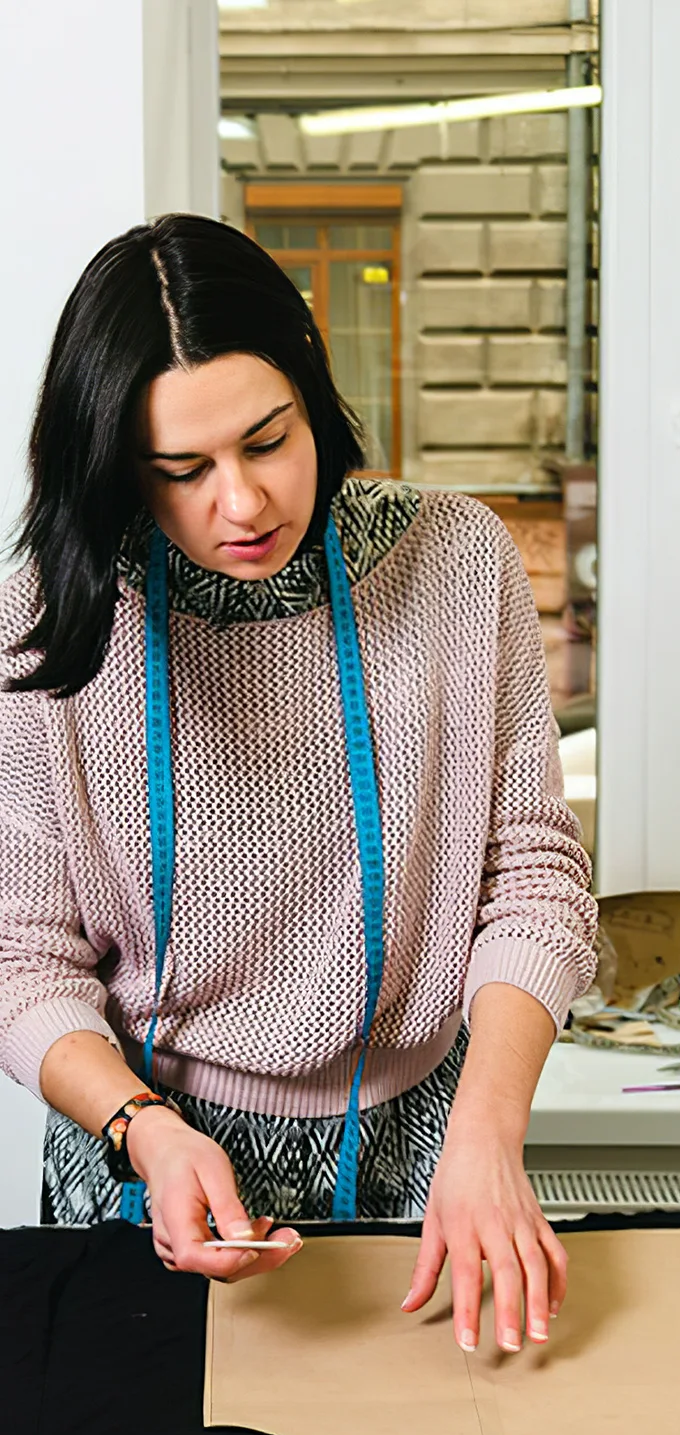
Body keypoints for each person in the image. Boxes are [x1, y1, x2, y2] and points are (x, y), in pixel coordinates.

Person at [0, 214, 597, 1357]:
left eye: (267, 441)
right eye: (181, 470)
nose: (242, 502)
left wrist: (489, 1130)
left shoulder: (458, 562)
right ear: (117, 466)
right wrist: (144, 1131)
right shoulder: (42, 621)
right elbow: (21, 953)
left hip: (429, 1144)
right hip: (148, 1162)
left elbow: (532, 876)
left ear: (314, 394)